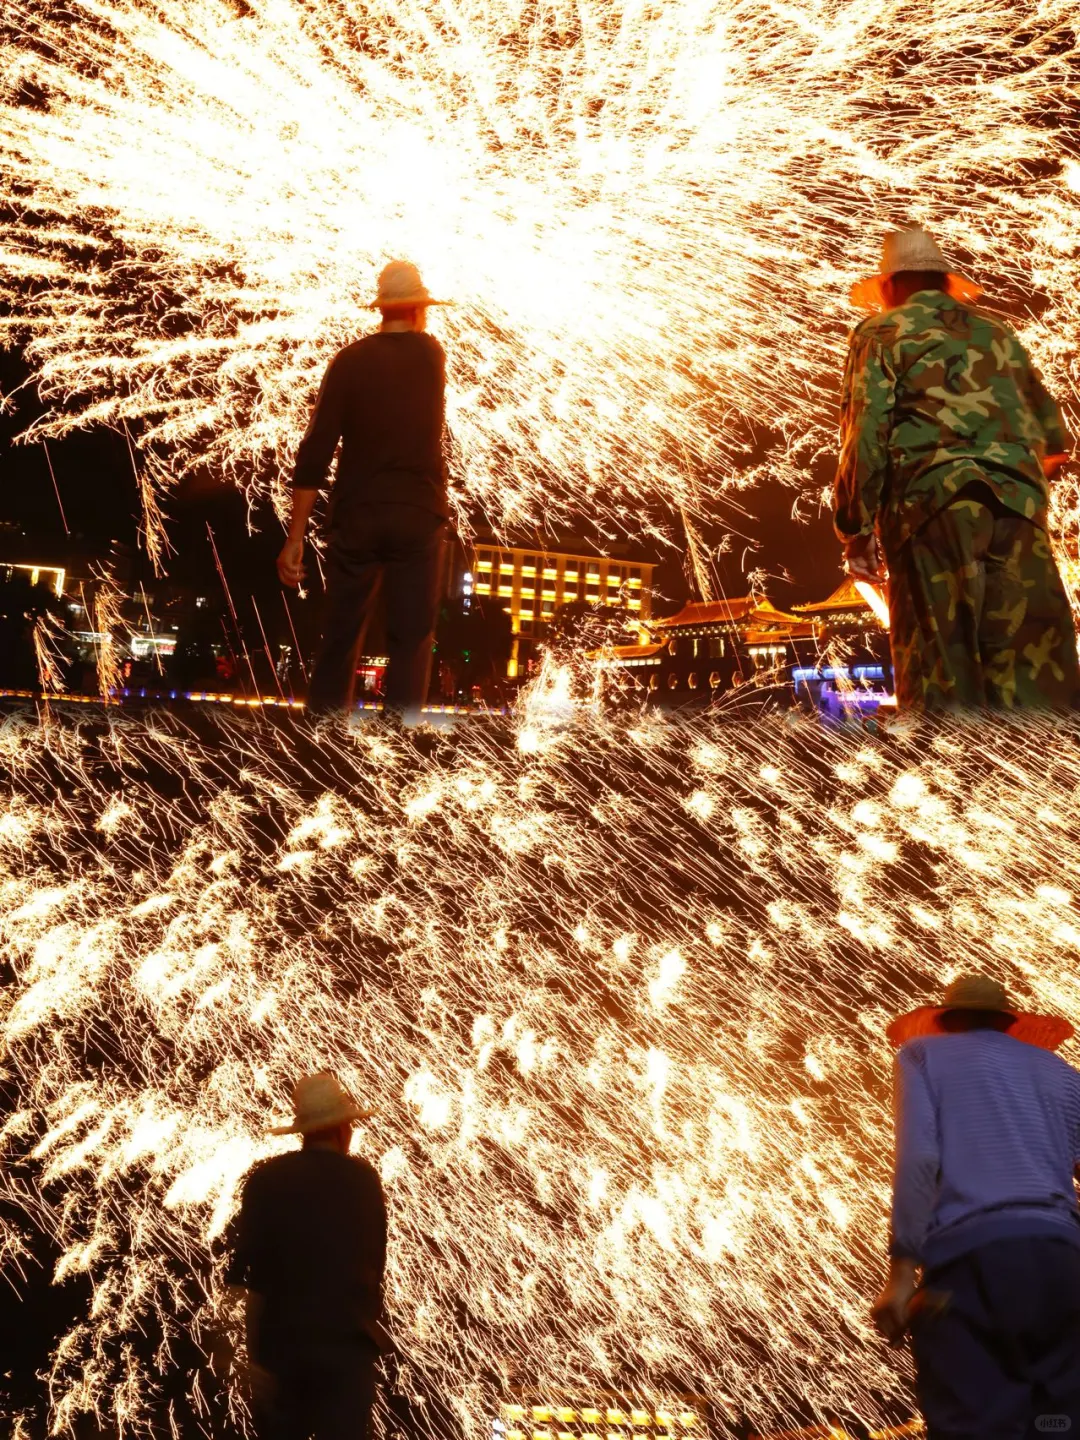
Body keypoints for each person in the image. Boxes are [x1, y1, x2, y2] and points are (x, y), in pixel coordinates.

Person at [834, 226, 1080, 710]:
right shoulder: (997, 333)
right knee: (1039, 686)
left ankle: (957, 778)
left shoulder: (879, 332)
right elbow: (1057, 441)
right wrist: (1014, 484)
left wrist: (855, 530)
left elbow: (865, 435)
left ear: (887, 287)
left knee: (942, 679)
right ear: (947, 281)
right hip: (1018, 516)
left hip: (930, 515)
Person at [873, 974, 1080, 1438]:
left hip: (974, 1264)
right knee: (1059, 1422)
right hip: (1063, 1262)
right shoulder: (1061, 1072)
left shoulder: (922, 1055)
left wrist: (902, 1274)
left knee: (974, 1421)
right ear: (1008, 1022)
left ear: (945, 1019)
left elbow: (920, 1157)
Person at [278, 260, 452, 722]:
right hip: (417, 512)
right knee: (411, 635)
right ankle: (400, 737)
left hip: (357, 514)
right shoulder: (431, 355)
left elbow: (315, 449)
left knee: (341, 632)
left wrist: (295, 537)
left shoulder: (349, 360)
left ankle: (323, 735)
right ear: (418, 309)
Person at [227, 1072, 388, 1440]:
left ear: (303, 1130)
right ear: (343, 1128)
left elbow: (248, 1279)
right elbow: (374, 1270)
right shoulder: (364, 1182)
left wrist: (251, 1360)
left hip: (282, 1356)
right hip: (346, 1357)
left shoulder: (265, 1179)